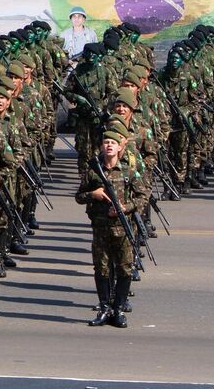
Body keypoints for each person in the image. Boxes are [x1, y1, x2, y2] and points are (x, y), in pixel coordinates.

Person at [76, 125, 143, 328]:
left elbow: (142, 196)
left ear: (120, 147)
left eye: (113, 143)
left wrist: (125, 208)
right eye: (106, 142)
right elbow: (79, 196)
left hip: (123, 228)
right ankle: (104, 308)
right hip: (101, 228)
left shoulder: (128, 171)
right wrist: (93, 194)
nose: (109, 146)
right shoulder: (93, 171)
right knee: (101, 269)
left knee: (124, 268)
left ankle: (118, 309)